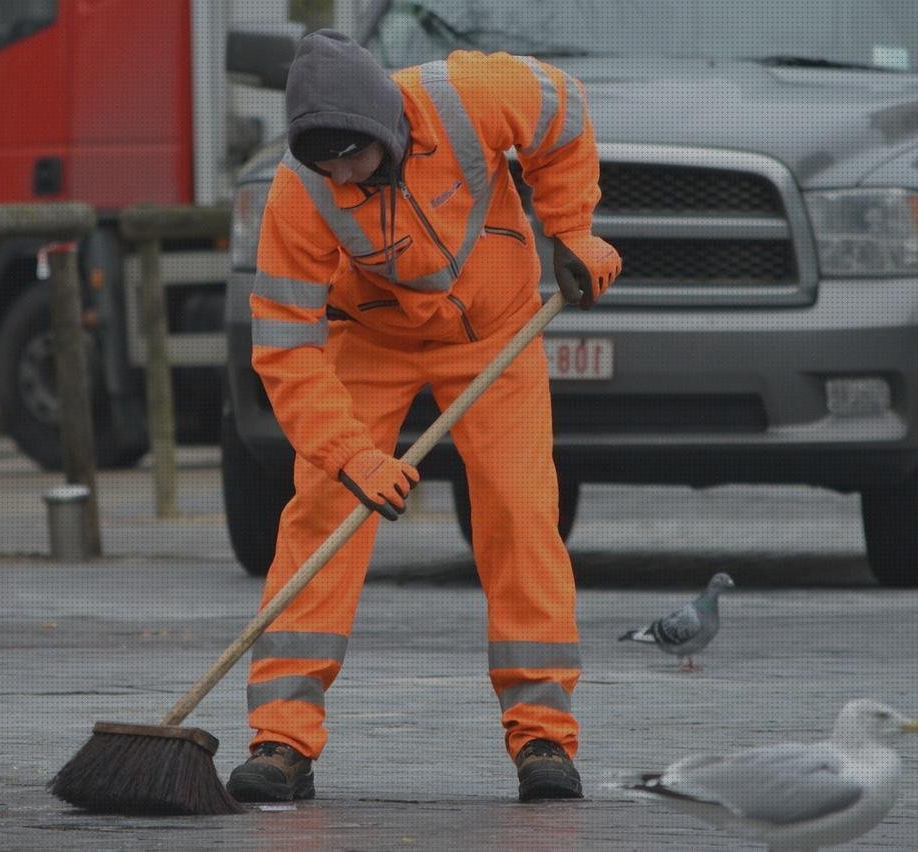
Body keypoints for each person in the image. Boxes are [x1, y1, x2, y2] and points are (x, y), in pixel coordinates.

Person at [226, 29, 621, 804]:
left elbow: (565, 114)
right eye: (324, 162)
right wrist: (349, 453)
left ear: (386, 126)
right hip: (367, 339)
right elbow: (285, 349)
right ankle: (281, 738)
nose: (340, 175)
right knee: (323, 510)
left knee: (518, 510)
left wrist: (572, 230)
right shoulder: (297, 194)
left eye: (352, 158)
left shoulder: (472, 95)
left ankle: (542, 736)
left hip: (495, 331)